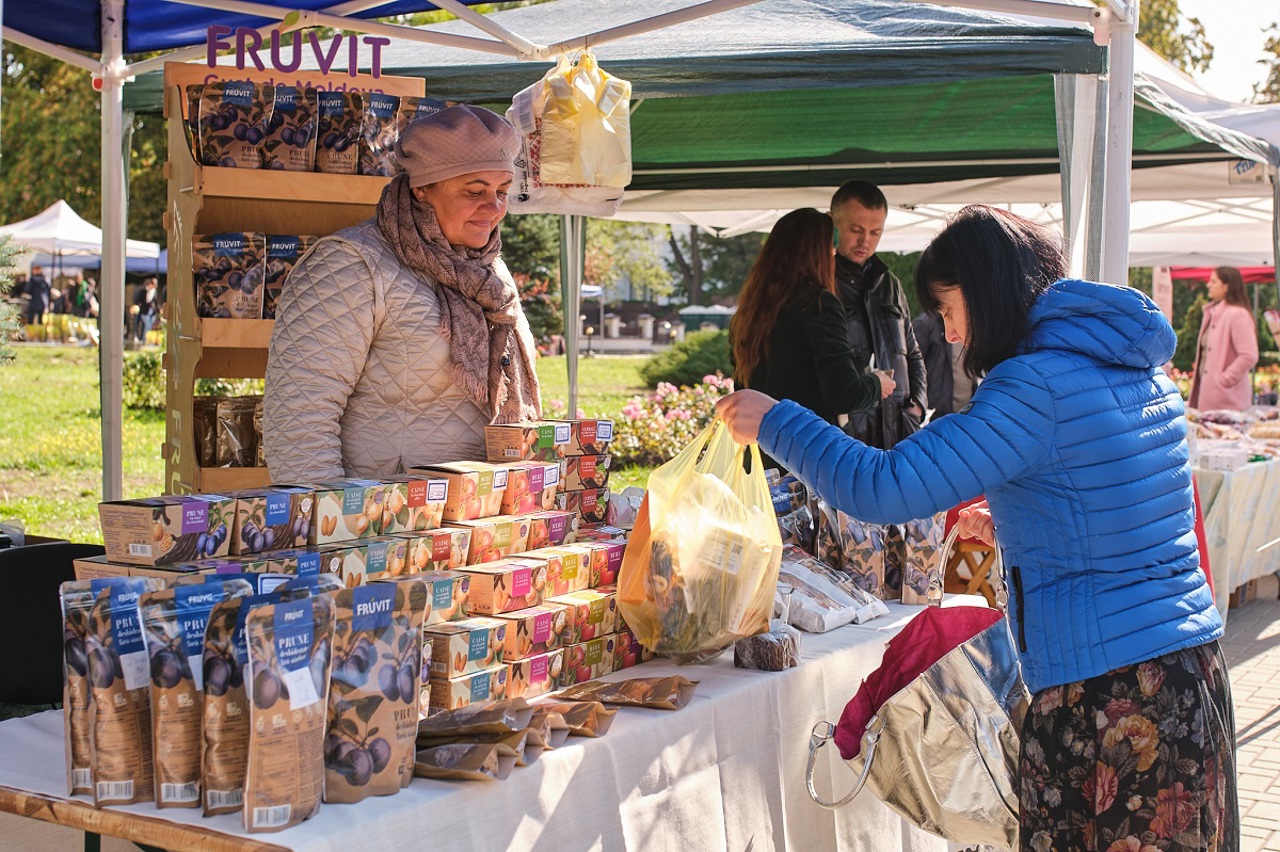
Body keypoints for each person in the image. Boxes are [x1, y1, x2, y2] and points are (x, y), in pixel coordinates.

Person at [717, 205, 1235, 850]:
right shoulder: (1129, 364)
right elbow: (1111, 494)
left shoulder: (1033, 383)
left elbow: (884, 486)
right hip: (1187, 672)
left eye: (948, 307)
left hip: (1110, 693)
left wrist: (777, 420)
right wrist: (1028, 504)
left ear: (985, 289)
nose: (950, 332)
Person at [264, 105, 541, 481]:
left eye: (502, 191)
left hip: (478, 513)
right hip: (385, 522)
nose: (493, 207)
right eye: (474, 190)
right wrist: (333, 522)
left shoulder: (491, 269)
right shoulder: (349, 264)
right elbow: (299, 413)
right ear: (422, 190)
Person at [728, 208, 893, 471]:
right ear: (818, 254)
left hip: (760, 461)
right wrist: (876, 383)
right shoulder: (818, 304)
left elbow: (744, 389)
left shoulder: (750, 311)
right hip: (807, 459)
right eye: (830, 249)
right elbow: (844, 394)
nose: (834, 255)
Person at [829, 180, 927, 448]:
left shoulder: (889, 283)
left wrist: (917, 404)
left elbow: (913, 351)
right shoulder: (820, 283)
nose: (865, 241)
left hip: (900, 432)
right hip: (846, 438)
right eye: (856, 230)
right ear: (832, 223)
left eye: (876, 232)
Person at [1189, 265, 1259, 411]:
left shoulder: (1238, 314)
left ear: (1226, 286)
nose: (1208, 285)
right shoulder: (1214, 312)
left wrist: (1224, 380)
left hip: (1228, 401)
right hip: (1212, 398)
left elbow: (1249, 355)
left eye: (1213, 281)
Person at [911, 309, 973, 420]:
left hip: (968, 415)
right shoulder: (926, 324)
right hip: (935, 416)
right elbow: (911, 366)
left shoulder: (971, 324)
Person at [132, 277, 160, 344]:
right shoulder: (143, 291)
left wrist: (157, 310)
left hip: (151, 311)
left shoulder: (154, 292)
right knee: (148, 325)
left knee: (148, 326)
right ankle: (145, 339)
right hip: (144, 311)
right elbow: (139, 300)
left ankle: (146, 340)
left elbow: (155, 302)